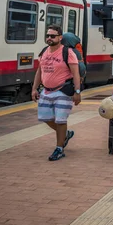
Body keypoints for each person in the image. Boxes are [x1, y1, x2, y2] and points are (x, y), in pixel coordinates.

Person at [32, 25, 81, 161]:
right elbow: (39, 71)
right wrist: (34, 88)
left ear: (60, 38)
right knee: (45, 118)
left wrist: (77, 91)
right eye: (47, 36)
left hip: (63, 90)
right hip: (46, 91)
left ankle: (59, 149)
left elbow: (76, 74)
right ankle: (65, 134)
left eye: (52, 36)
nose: (49, 38)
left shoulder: (68, 52)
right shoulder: (44, 51)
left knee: (60, 120)